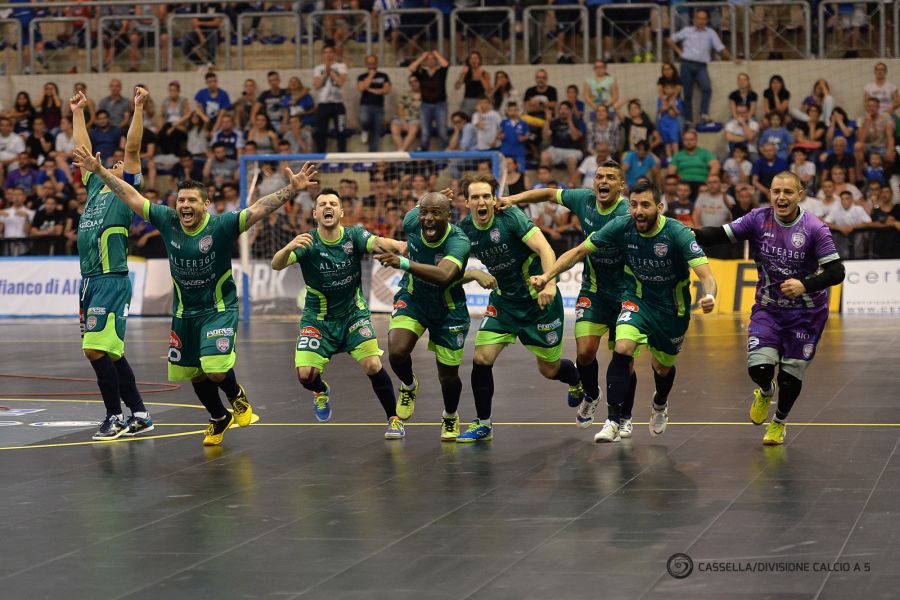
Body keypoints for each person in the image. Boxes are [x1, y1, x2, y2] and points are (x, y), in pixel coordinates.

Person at [72, 150, 318, 447]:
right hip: (184, 313)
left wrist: (292, 188)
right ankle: (219, 417)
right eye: (181, 200)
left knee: (214, 369)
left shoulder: (221, 226)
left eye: (191, 200)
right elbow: (131, 196)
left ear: (206, 204)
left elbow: (258, 209)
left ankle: (237, 396)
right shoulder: (167, 220)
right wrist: (101, 171)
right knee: (194, 373)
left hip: (218, 309)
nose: (185, 205)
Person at [532, 178, 717, 443]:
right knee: (622, 348)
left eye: (645, 205)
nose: (638, 211)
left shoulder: (678, 233)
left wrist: (709, 295)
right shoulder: (622, 225)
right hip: (637, 301)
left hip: (673, 311)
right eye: (634, 205)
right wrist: (547, 275)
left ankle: (660, 402)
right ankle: (613, 420)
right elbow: (578, 252)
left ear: (660, 207)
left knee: (662, 368)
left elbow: (707, 276)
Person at [693, 172, 844, 445]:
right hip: (769, 307)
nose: (781, 197)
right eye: (776, 191)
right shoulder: (757, 219)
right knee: (759, 368)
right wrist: (681, 232)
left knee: (790, 375)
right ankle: (765, 391)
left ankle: (779, 422)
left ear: (800, 195)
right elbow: (718, 235)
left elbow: (837, 272)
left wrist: (804, 285)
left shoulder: (815, 228)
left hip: (807, 314)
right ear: (770, 194)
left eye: (788, 192)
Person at [499, 159, 631, 431]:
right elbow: (549, 193)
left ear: (621, 186)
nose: (603, 181)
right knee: (585, 352)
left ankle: (624, 416)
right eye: (599, 176)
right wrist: (512, 199)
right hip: (593, 290)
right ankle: (591, 395)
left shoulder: (627, 212)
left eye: (610, 178)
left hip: (627, 294)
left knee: (624, 360)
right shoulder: (583, 199)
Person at [271, 188, 408, 438]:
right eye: (322, 204)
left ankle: (394, 419)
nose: (328, 207)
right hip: (318, 320)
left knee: (373, 364)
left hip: (353, 315)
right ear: (315, 213)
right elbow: (276, 264)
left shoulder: (353, 235)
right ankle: (321, 390)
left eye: (333, 204)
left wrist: (400, 245)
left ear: (341, 212)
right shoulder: (307, 242)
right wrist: (288, 246)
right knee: (306, 376)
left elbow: (377, 242)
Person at [456, 173, 582, 442]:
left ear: (494, 199)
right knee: (481, 358)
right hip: (504, 304)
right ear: (467, 202)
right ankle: (483, 424)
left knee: (549, 370)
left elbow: (545, 249)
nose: (481, 202)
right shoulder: (464, 230)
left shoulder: (511, 217)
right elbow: (449, 271)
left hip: (539, 301)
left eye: (486, 196)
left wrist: (549, 284)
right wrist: (474, 274)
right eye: (475, 197)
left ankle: (576, 380)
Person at [70, 87, 152, 440]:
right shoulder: (94, 187)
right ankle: (140, 414)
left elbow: (132, 149)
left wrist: (138, 108)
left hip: (110, 278)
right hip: (89, 280)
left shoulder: (125, 191)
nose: (118, 162)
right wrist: (78, 111)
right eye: (112, 163)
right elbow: (83, 151)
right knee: (112, 354)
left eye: (120, 164)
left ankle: (114, 417)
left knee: (94, 349)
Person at [375, 192, 472, 441]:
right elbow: (419, 210)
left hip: (448, 309)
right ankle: (409, 385)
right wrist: (428, 200)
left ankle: (450, 415)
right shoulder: (411, 222)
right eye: (424, 213)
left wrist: (403, 263)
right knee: (396, 353)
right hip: (413, 298)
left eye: (435, 213)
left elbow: (444, 275)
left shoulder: (458, 241)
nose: (428, 218)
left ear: (448, 216)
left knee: (448, 377)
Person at [666, 9, 734, 126]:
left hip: (701, 66)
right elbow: (669, 40)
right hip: (686, 64)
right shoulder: (687, 30)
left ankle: (704, 114)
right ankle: (688, 120)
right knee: (687, 94)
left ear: (707, 20)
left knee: (707, 89)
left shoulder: (711, 32)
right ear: (694, 19)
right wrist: (678, 51)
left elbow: (720, 47)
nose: (701, 21)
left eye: (704, 19)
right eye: (699, 18)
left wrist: (732, 58)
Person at [409, 50, 450, 150]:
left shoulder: (441, 72)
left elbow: (446, 64)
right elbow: (411, 68)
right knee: (425, 132)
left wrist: (436, 54)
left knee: (442, 131)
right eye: (428, 59)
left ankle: (446, 153)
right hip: (426, 105)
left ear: (436, 60)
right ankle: (424, 155)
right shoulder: (422, 73)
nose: (430, 61)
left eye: (433, 59)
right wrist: (422, 57)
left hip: (440, 105)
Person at [312, 45, 348, 153]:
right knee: (321, 132)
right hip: (323, 103)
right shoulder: (318, 68)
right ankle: (321, 156)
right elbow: (316, 85)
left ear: (334, 54)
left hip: (337, 103)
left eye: (330, 52)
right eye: (325, 52)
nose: (328, 55)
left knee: (341, 130)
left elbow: (340, 82)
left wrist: (331, 71)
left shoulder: (341, 66)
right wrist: (325, 74)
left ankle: (342, 156)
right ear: (322, 55)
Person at [356, 55, 392, 152]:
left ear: (376, 63)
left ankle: (372, 155)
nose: (372, 65)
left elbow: (386, 90)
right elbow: (361, 88)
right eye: (369, 63)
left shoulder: (384, 76)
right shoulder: (362, 76)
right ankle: (365, 130)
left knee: (376, 132)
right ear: (366, 64)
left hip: (379, 107)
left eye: (373, 63)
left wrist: (370, 89)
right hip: (365, 105)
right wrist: (371, 76)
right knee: (364, 120)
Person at [668, 129, 719, 196]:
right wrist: (677, 178)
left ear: (696, 140)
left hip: (702, 183)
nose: (688, 142)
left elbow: (715, 165)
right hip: (683, 184)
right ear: (683, 141)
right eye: (686, 140)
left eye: (691, 139)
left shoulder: (705, 153)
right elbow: (671, 172)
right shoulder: (678, 155)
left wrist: (708, 179)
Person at [454, 50, 491, 116]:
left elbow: (488, 90)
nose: (474, 60)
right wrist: (463, 74)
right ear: (469, 61)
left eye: (476, 58)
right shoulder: (465, 73)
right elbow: (457, 87)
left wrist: (481, 77)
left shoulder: (484, 73)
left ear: (479, 60)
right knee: (465, 119)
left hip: (481, 101)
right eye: (471, 58)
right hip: (468, 101)